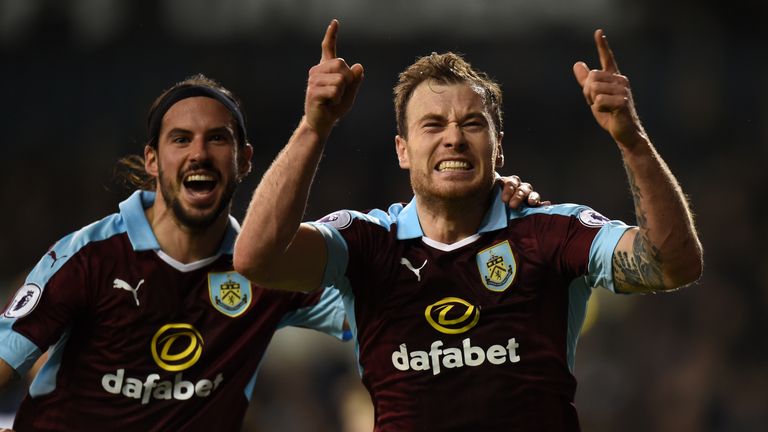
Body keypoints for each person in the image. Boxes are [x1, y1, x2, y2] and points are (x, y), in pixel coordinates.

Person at [233, 19, 703, 431]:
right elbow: (256, 257)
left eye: (473, 124)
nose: (454, 138)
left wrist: (631, 138)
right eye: (433, 125)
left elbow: (673, 265)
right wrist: (314, 126)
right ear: (402, 149)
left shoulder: (550, 234)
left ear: (498, 148)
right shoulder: (368, 244)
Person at [0, 75, 538, 431]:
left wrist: (478, 195)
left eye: (217, 139)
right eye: (180, 139)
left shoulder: (268, 270)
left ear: (245, 161)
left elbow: (401, 305)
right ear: (151, 161)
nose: (199, 153)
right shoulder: (89, 257)